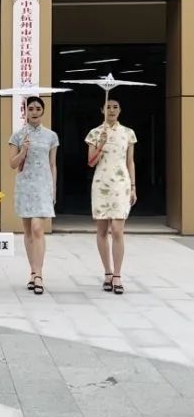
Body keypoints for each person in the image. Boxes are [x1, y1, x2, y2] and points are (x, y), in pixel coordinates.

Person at [86, 98, 137, 295]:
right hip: (101, 184)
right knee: (101, 230)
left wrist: (133, 186)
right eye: (108, 107)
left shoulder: (128, 133)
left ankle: (117, 275)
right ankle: (107, 272)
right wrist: (100, 144)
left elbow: (130, 161)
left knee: (117, 230)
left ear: (120, 110)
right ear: (102, 110)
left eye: (115, 107)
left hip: (121, 185)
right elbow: (91, 162)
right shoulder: (95, 133)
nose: (112, 110)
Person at [8, 96, 59, 295]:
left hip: (43, 185)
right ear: (25, 112)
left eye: (38, 108)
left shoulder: (51, 136)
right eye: (31, 108)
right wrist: (23, 150)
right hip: (25, 186)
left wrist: (53, 188)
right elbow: (12, 164)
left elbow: (52, 164)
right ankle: (32, 271)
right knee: (28, 231)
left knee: (38, 228)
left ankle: (39, 274)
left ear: (43, 111)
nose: (34, 112)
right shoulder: (18, 135)